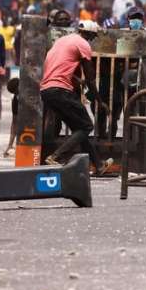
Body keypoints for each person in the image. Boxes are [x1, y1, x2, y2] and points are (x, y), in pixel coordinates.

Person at [40, 20, 112, 175]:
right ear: (89, 33)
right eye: (93, 36)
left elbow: (58, 66)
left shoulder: (62, 41)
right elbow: (91, 76)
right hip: (60, 90)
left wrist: (77, 80)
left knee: (79, 129)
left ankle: (98, 165)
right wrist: (100, 101)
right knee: (87, 126)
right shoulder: (82, 43)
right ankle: (55, 156)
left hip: (47, 90)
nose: (92, 40)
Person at [3, 77, 19, 158]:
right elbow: (14, 123)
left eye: (18, 92)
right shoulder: (16, 100)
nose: (18, 95)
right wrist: (10, 145)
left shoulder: (35, 93)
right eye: (16, 94)